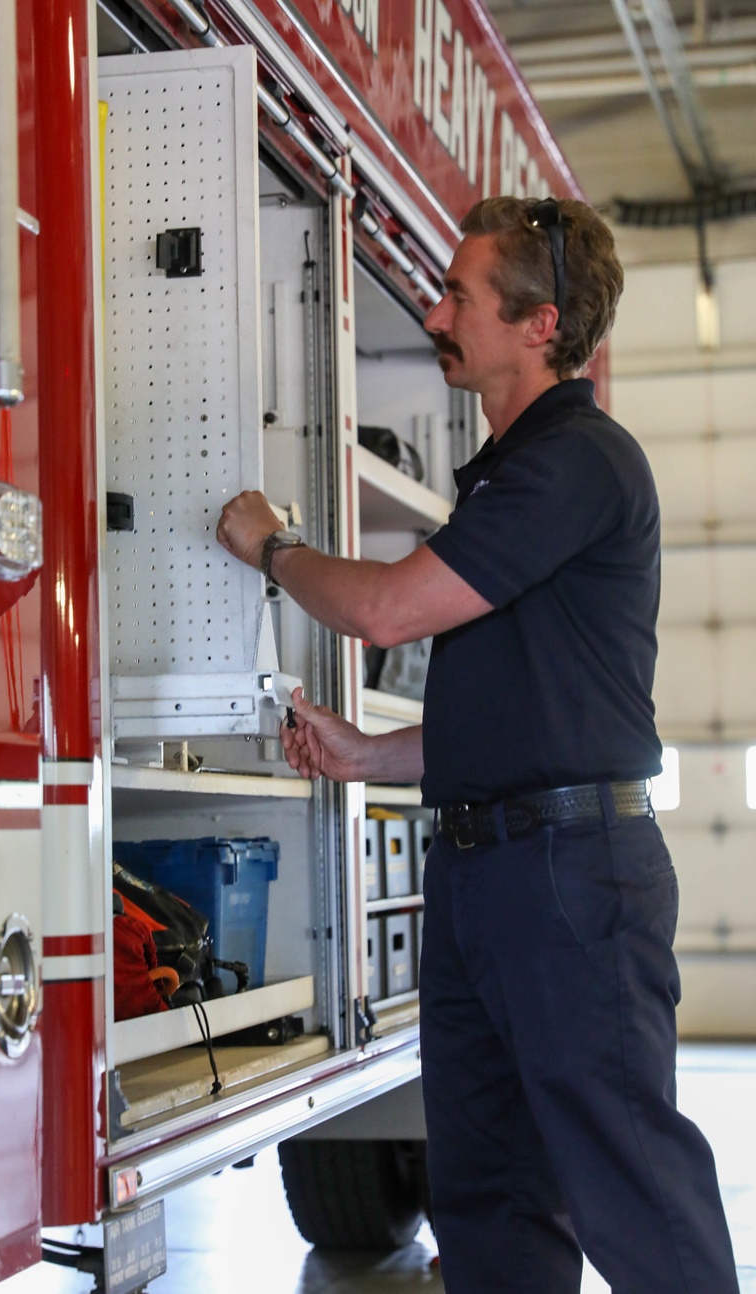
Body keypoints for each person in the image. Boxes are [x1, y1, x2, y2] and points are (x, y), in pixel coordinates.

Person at [215, 196, 739, 1293]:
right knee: (490, 1189)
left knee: (627, 1183)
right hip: (489, 868)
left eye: (458, 293)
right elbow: (521, 714)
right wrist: (368, 754)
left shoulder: (578, 463)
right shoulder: (504, 477)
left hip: (568, 881)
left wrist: (273, 546)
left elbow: (387, 612)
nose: (435, 307)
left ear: (539, 324)